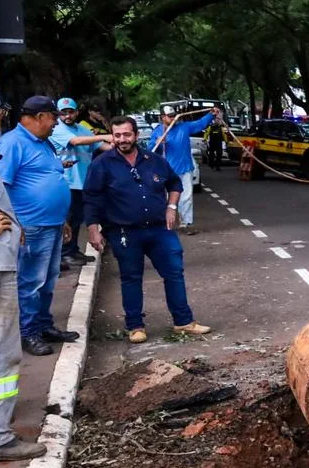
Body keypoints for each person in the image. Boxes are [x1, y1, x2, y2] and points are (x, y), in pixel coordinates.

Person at [84, 116, 211, 344]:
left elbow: (174, 183)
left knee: (174, 272)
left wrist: (172, 207)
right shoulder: (101, 164)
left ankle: (183, 321)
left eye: (127, 134)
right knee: (131, 277)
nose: (122, 139)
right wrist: (93, 229)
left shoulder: (153, 160)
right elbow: (92, 198)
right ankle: (135, 326)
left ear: (135, 135)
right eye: (118, 135)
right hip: (124, 232)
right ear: (113, 136)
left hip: (160, 230)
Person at [0, 97, 79, 356]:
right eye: (53, 117)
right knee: (30, 282)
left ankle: (43, 325)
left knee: (48, 280)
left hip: (51, 224)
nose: (56, 123)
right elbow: (1, 189)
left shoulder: (44, 144)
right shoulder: (12, 144)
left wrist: (63, 219)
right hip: (30, 226)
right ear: (40, 116)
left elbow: (52, 178)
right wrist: (15, 225)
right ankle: (28, 332)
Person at [0, 93, 43, 461]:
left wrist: (16, 226)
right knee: (0, 352)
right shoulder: (9, 144)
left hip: (2, 259)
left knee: (3, 353)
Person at [50, 97, 111, 269]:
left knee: (77, 219)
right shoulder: (57, 129)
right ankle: (63, 254)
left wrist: (122, 145)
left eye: (70, 112)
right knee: (67, 219)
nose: (67, 116)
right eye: (63, 113)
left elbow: (101, 146)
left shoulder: (82, 129)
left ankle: (72, 250)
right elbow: (76, 141)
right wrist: (107, 135)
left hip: (82, 182)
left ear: (76, 112)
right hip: (65, 182)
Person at [149, 105, 220, 235]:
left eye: (173, 115)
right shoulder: (157, 132)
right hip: (165, 171)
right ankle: (165, 224)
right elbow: (150, 151)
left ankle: (185, 224)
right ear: (162, 117)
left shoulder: (184, 127)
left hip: (185, 168)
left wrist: (211, 115)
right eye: (169, 116)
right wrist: (158, 143)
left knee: (186, 197)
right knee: (164, 198)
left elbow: (200, 124)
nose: (172, 118)